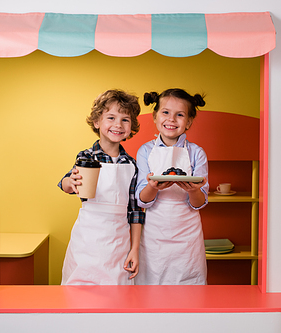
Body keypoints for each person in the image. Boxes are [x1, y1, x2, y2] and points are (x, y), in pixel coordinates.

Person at [59, 89, 145, 285]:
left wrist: (134, 249)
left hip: (119, 241)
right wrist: (69, 183)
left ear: (131, 127)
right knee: (81, 293)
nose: (118, 124)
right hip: (88, 238)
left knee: (117, 294)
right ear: (97, 122)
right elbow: (66, 181)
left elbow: (135, 211)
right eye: (111, 117)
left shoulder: (131, 164)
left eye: (125, 119)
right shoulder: (87, 157)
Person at [135, 88, 209, 285]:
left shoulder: (196, 153)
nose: (172, 119)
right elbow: (141, 199)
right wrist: (153, 187)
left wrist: (193, 190)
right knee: (152, 288)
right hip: (154, 234)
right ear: (155, 116)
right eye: (165, 112)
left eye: (180, 115)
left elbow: (200, 202)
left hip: (187, 235)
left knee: (189, 289)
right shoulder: (145, 151)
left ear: (189, 121)